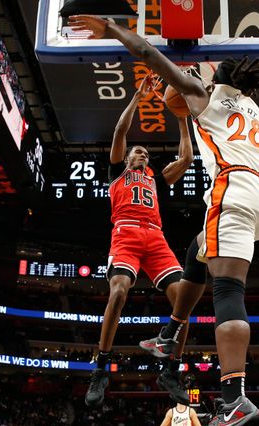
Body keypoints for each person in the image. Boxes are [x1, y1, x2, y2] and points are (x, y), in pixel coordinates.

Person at [70, 17, 259, 426]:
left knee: (226, 290)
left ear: (218, 77)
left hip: (235, 191)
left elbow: (149, 55)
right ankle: (170, 334)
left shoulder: (205, 96)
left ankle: (232, 399)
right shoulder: (258, 111)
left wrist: (113, 29)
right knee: (197, 251)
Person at [85, 74, 194, 407]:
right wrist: (137, 97)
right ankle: (101, 366)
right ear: (128, 157)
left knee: (184, 302)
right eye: (138, 151)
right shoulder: (118, 171)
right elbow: (120, 130)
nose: (143, 153)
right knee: (118, 292)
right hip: (126, 233)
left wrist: (181, 118)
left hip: (156, 238)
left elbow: (187, 158)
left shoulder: (155, 179)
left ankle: (170, 370)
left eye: (146, 152)